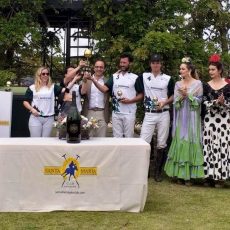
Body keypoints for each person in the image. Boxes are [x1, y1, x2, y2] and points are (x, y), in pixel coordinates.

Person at [164, 57, 204, 185]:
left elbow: (199, 102)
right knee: (180, 140)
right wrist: (181, 97)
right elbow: (175, 103)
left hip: (192, 118)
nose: (180, 71)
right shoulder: (177, 84)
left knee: (191, 141)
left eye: (183, 69)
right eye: (180, 69)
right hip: (181, 117)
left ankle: (190, 176)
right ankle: (179, 175)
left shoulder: (198, 84)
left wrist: (189, 95)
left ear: (189, 70)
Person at [85, 53, 144, 137]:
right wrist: (93, 80)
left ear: (130, 63)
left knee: (129, 138)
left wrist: (130, 101)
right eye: (121, 63)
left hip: (129, 113)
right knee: (116, 138)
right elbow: (104, 89)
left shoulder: (135, 77)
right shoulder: (114, 76)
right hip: (116, 113)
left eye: (124, 63)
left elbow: (141, 95)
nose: (122, 65)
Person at [140, 54, 174, 182]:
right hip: (149, 113)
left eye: (158, 62)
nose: (155, 64)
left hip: (163, 113)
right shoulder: (143, 76)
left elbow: (173, 95)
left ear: (161, 64)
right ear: (150, 64)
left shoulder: (167, 78)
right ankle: (145, 171)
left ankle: (158, 173)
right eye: (153, 62)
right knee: (144, 141)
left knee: (161, 143)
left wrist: (165, 103)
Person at [202, 54, 230, 187]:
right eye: (209, 70)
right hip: (210, 120)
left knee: (222, 147)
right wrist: (215, 102)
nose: (210, 72)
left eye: (213, 69)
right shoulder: (206, 85)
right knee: (210, 146)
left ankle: (221, 178)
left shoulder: (228, 85)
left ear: (219, 70)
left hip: (224, 121)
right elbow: (204, 102)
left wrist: (224, 102)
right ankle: (209, 176)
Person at [23, 67, 62, 137]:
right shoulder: (32, 87)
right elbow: (25, 101)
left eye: (47, 74)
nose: (45, 75)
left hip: (49, 118)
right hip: (36, 117)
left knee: (46, 141)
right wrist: (32, 109)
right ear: (39, 75)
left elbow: (65, 90)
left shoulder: (53, 87)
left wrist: (74, 79)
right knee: (35, 141)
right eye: (43, 74)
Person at [81, 59, 110, 137]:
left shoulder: (107, 81)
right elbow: (83, 92)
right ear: (93, 68)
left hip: (102, 113)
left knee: (102, 140)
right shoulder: (86, 79)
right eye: (97, 67)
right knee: (88, 139)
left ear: (104, 69)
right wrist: (84, 80)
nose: (99, 69)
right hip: (89, 112)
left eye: (101, 67)